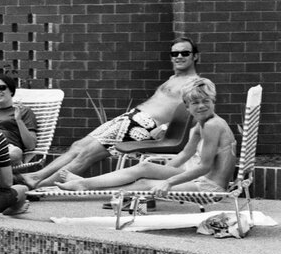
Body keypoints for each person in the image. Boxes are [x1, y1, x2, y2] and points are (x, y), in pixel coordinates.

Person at [22, 37, 203, 189]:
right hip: (131, 118)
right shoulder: (173, 78)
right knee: (79, 145)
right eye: (174, 53)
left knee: (89, 153)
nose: (179, 56)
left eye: (184, 53)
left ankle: (41, 187)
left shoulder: (196, 83)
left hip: (145, 125)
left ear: (195, 56)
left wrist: (164, 128)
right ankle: (37, 176)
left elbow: (197, 113)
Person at [55, 77, 235, 194]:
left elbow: (204, 167)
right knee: (146, 168)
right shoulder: (200, 125)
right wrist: (162, 173)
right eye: (195, 102)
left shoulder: (213, 125)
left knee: (146, 184)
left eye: (206, 101)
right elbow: (183, 155)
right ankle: (86, 184)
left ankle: (86, 186)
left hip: (209, 186)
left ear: (213, 101)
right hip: (196, 176)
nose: (201, 106)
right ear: (187, 107)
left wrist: (169, 182)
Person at [0, 73, 38, 166]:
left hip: (9, 149)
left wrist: (18, 120)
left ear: (11, 91)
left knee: (15, 154)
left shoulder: (23, 111)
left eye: (2, 87)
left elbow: (31, 145)